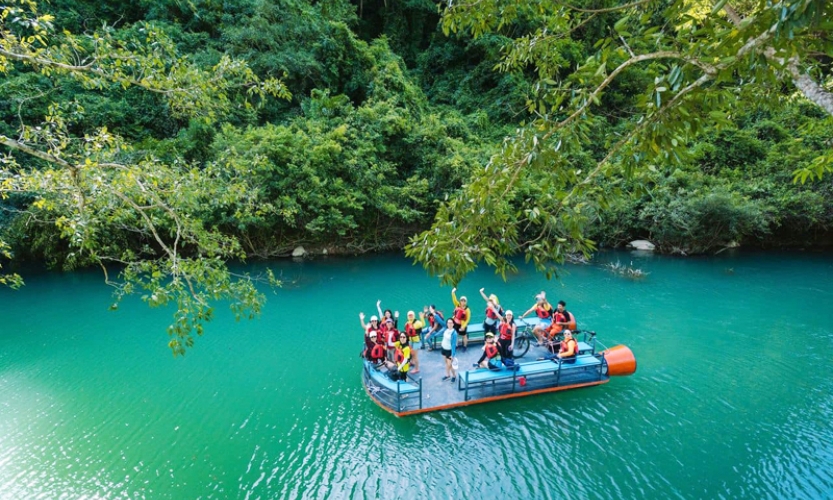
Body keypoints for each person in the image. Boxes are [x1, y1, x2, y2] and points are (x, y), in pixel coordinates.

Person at [451, 288, 472, 352]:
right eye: (462, 300)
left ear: (466, 302)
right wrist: (453, 293)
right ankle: (456, 345)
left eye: (464, 301)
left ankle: (465, 346)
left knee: (464, 336)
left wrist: (463, 326)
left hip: (462, 324)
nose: (463, 302)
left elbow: (468, 319)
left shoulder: (467, 310)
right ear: (460, 301)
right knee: (455, 334)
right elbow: (454, 299)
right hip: (455, 323)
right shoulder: (457, 305)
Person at [440, 318, 458, 382]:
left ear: (453, 324)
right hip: (443, 349)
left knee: (450, 364)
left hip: (449, 351)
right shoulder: (446, 329)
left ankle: (454, 375)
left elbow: (453, 345)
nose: (449, 324)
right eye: (448, 323)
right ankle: (447, 375)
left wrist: (453, 355)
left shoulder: (454, 333)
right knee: (446, 364)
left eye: (451, 323)